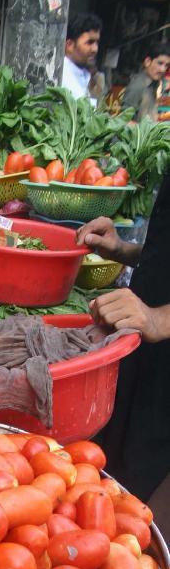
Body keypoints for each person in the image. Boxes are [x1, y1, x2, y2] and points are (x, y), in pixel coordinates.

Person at [75, 178, 170, 507]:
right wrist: (122, 249)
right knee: (116, 473)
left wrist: (160, 319)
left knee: (142, 500)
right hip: (142, 350)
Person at [122, 41, 170, 122]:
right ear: (148, 61)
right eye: (160, 63)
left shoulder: (158, 85)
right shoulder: (137, 86)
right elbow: (124, 121)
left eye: (166, 65)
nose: (163, 69)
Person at [61, 13, 103, 101]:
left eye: (97, 43)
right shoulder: (60, 77)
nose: (95, 49)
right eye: (89, 42)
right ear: (69, 45)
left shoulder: (88, 76)